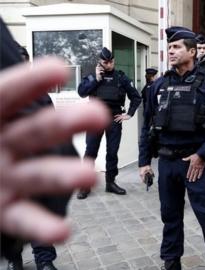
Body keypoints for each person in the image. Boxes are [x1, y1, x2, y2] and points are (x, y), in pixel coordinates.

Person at [0, 16, 109, 261]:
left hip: (30, 172)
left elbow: (56, 139)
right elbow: (82, 91)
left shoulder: (39, 98)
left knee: (37, 210)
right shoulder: (93, 76)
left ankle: (44, 260)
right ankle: (14, 260)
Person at [138, 26, 205, 270]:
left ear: (192, 52)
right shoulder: (158, 86)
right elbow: (148, 125)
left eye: (177, 47)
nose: (171, 51)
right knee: (170, 216)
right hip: (168, 162)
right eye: (169, 47)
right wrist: (144, 161)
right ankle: (171, 261)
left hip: (197, 163)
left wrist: (202, 155)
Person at [77, 47, 142, 199]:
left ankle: (110, 182)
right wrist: (96, 79)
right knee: (90, 152)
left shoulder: (121, 78)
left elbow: (136, 97)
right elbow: (81, 92)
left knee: (112, 153)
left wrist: (129, 114)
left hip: (114, 119)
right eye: (106, 62)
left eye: (111, 61)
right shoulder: (93, 77)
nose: (109, 64)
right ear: (100, 62)